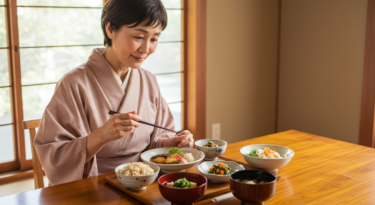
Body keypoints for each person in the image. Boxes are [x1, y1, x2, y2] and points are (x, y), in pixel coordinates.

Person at [34, 0, 194, 186]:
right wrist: (101, 135)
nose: (146, 49)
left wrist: (173, 142)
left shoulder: (148, 80)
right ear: (110, 29)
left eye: (154, 39)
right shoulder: (73, 83)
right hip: (93, 184)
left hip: (144, 180)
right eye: (138, 37)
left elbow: (156, 143)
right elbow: (54, 156)